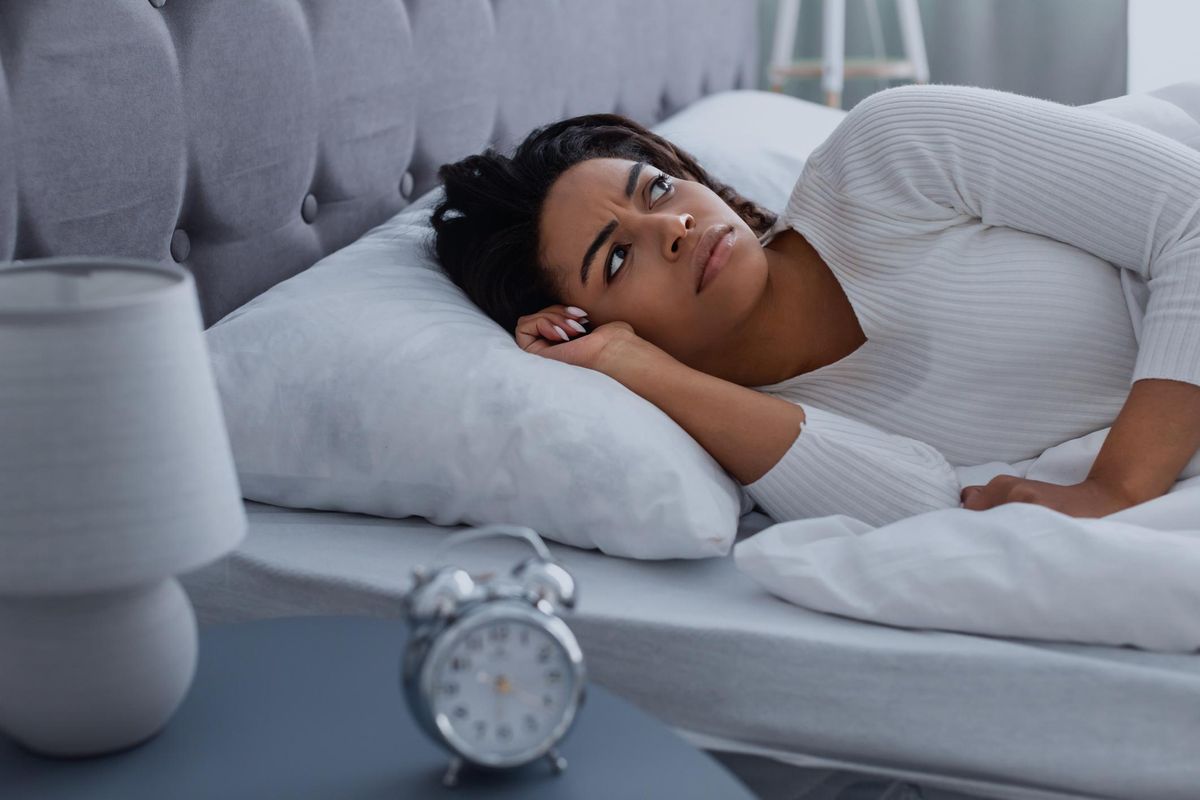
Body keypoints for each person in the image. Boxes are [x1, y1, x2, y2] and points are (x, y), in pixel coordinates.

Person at [429, 83, 1200, 526]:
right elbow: (924, 508)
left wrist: (1119, 489)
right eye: (618, 256)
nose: (672, 227)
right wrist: (631, 368)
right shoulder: (751, 428)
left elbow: (1191, 215)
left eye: (657, 189)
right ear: (597, 322)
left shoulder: (886, 151)